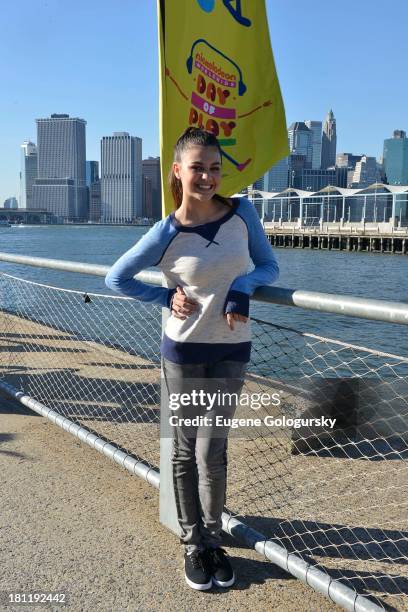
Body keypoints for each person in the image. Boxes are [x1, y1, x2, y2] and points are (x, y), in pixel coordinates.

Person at [105, 127, 279, 591]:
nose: (207, 176)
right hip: (182, 353)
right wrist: (164, 296)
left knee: (213, 451)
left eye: (215, 168)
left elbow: (268, 266)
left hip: (231, 351)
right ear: (177, 172)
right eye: (197, 167)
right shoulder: (166, 231)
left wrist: (243, 287)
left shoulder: (243, 213)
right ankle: (192, 542)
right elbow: (116, 279)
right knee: (183, 451)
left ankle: (214, 537)